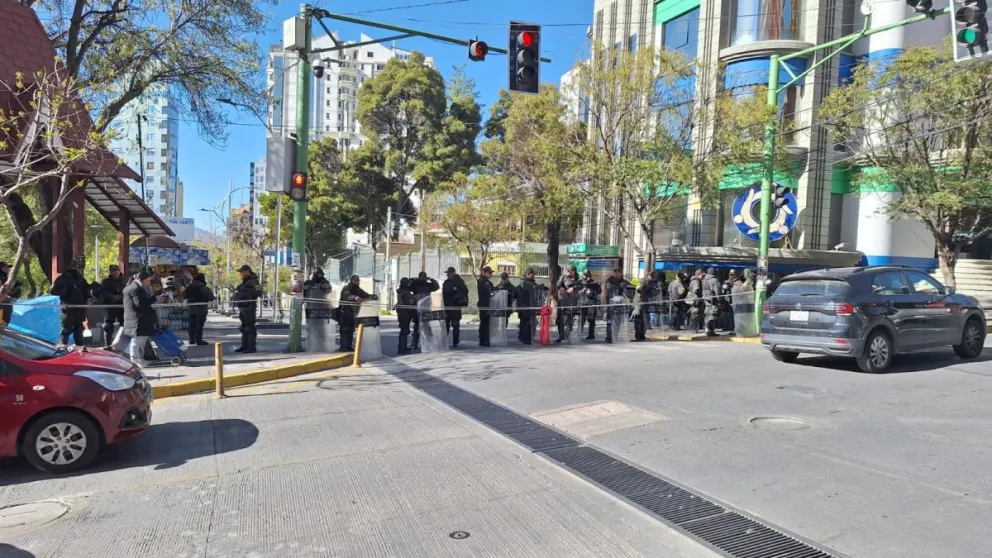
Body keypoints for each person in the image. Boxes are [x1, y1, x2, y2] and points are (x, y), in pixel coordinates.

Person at [118, 268, 158, 366]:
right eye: (147, 281)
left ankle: (138, 359)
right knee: (137, 341)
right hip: (137, 319)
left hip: (136, 319)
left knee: (140, 340)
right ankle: (135, 360)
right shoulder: (135, 289)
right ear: (141, 279)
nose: (148, 283)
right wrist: (154, 298)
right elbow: (140, 304)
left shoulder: (132, 287)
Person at [50, 259, 92, 345]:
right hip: (68, 307)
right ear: (68, 266)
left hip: (80, 308)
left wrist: (91, 291)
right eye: (71, 265)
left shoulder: (81, 279)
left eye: (74, 265)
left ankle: (80, 349)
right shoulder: (62, 278)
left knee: (79, 331)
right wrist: (64, 290)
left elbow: (87, 291)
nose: (73, 267)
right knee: (66, 330)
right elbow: (53, 291)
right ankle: (61, 348)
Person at [339, 274, 375, 352]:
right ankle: (343, 346)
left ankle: (348, 346)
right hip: (344, 311)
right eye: (355, 281)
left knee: (351, 329)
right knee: (345, 329)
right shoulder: (346, 288)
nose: (357, 282)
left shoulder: (358, 289)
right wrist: (355, 297)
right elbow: (347, 296)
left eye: (358, 281)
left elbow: (365, 294)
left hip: (352, 312)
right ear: (352, 281)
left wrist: (372, 296)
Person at [232, 264, 262, 353]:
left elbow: (259, 292)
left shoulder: (253, 281)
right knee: (244, 326)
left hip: (250, 306)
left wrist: (247, 290)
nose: (240, 274)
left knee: (250, 326)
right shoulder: (245, 281)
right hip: (243, 306)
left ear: (247, 271)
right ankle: (244, 346)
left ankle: (251, 347)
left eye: (241, 272)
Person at [97, 265, 126, 348]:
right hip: (110, 306)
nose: (115, 272)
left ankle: (123, 345)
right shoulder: (106, 281)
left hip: (122, 306)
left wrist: (121, 296)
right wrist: (112, 297)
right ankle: (108, 344)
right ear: (110, 272)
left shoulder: (124, 280)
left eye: (116, 270)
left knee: (124, 325)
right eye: (113, 271)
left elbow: (128, 290)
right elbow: (103, 292)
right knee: (108, 326)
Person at [604, 268, 633, 344]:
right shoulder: (609, 280)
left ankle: (615, 336)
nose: (616, 274)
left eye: (618, 273)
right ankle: (609, 337)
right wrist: (619, 286)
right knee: (610, 321)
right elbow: (609, 287)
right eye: (615, 273)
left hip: (620, 305)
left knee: (618, 321)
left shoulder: (624, 281)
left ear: (621, 273)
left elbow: (631, 288)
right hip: (611, 304)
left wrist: (629, 288)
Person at [442, 266, 469, 348]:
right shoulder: (459, 281)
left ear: (453, 273)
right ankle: (453, 342)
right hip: (451, 307)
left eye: (449, 273)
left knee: (453, 325)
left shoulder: (455, 282)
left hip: (453, 307)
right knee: (450, 325)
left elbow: (446, 292)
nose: (447, 275)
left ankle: (453, 342)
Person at [410, 271, 439, 344]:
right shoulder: (423, 285)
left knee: (420, 325)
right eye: (421, 277)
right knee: (422, 325)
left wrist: (414, 280)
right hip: (423, 307)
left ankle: (417, 342)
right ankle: (426, 342)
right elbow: (436, 286)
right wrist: (431, 279)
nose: (422, 278)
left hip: (422, 307)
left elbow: (436, 287)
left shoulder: (419, 285)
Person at [185, 272, 213, 346]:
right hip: (201, 310)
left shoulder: (189, 288)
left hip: (191, 309)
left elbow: (184, 295)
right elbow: (211, 297)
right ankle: (198, 340)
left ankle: (191, 339)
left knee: (191, 325)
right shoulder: (204, 288)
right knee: (199, 325)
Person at [556, 265, 581, 343]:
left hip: (572, 301)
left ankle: (567, 336)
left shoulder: (577, 278)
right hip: (563, 300)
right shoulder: (564, 277)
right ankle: (561, 336)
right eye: (570, 270)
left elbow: (581, 285)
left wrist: (573, 288)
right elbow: (558, 285)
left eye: (573, 270)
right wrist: (561, 288)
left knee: (570, 320)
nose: (572, 272)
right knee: (561, 320)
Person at [635, 272, 661, 341]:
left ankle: (643, 335)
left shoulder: (655, 282)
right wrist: (648, 288)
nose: (653, 279)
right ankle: (638, 335)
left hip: (647, 302)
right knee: (639, 319)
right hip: (639, 301)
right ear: (649, 276)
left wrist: (653, 290)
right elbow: (639, 290)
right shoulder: (643, 280)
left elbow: (657, 291)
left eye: (654, 277)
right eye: (652, 277)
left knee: (646, 319)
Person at [515, 267, 538, 345]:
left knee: (525, 323)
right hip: (525, 307)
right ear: (527, 274)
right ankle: (526, 339)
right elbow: (534, 287)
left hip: (527, 307)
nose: (534, 276)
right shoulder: (524, 282)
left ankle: (524, 338)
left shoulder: (527, 282)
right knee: (526, 324)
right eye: (532, 274)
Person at [395, 278, 417, 354]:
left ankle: (401, 347)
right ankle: (402, 348)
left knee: (403, 330)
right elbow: (411, 302)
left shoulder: (400, 291)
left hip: (401, 313)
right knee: (405, 331)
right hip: (405, 313)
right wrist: (414, 299)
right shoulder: (406, 293)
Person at [579, 270, 601, 340]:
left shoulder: (593, 282)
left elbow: (599, 291)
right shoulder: (580, 282)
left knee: (591, 319)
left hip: (591, 303)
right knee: (581, 319)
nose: (585, 276)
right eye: (584, 275)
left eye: (587, 275)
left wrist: (597, 285)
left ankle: (591, 334)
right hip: (582, 302)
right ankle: (579, 334)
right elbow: (578, 291)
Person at [0, 260, 23, 325]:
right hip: (3, 305)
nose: (9, 269)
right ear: (2, 268)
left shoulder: (6, 277)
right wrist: (6, 295)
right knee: (3, 323)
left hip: (6, 305)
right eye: (7, 267)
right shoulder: (1, 277)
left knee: (4, 323)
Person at [476, 266, 494, 347]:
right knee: (485, 323)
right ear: (485, 272)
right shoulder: (483, 281)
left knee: (484, 323)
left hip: (485, 304)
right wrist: (497, 288)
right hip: (484, 304)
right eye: (490, 273)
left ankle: (483, 340)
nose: (491, 274)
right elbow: (490, 289)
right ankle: (484, 341)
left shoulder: (484, 281)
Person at [702, 267, 722, 337]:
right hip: (713, 299)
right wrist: (719, 300)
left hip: (706, 298)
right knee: (713, 314)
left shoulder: (704, 280)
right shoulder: (715, 280)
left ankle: (707, 329)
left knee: (707, 313)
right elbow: (717, 291)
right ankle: (710, 330)